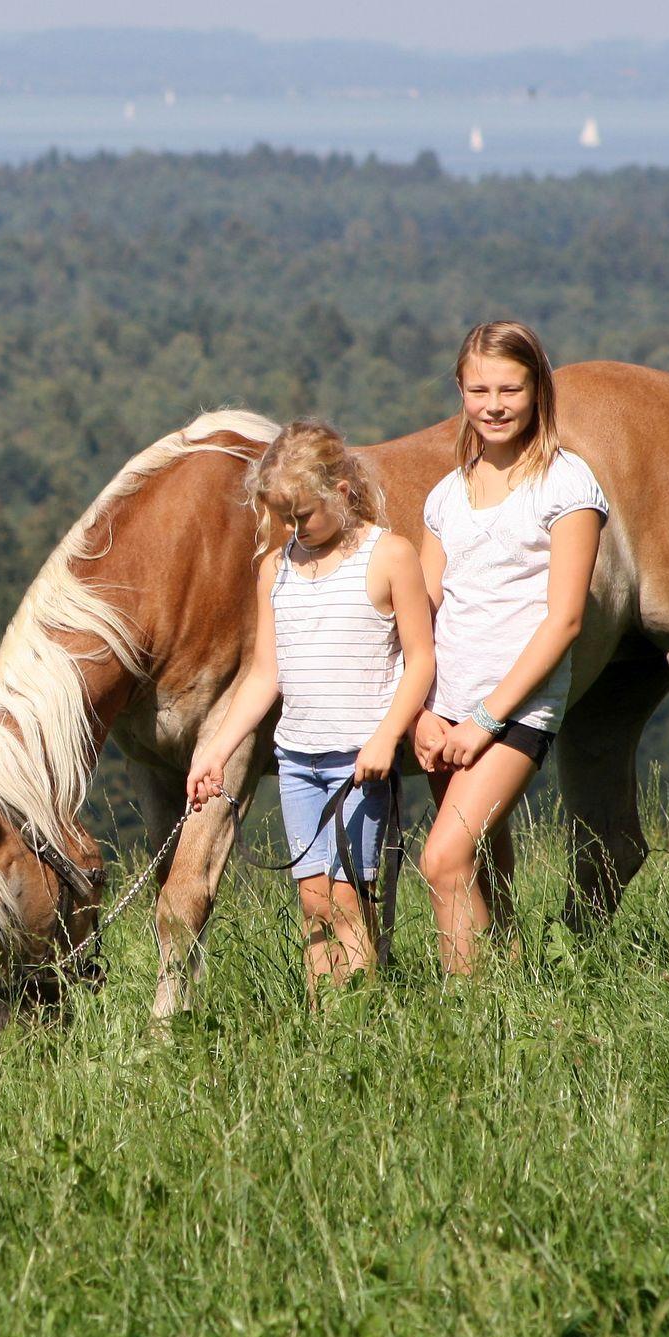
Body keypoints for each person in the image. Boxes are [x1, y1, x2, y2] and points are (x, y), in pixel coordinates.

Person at [188, 421, 435, 995]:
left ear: (341, 492)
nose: (291, 529)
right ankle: (323, 1019)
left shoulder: (389, 555)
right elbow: (264, 675)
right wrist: (216, 752)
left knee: (351, 898)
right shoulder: (275, 570)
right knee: (314, 901)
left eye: (301, 515)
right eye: (281, 517)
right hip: (298, 762)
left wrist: (386, 738)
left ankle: (361, 1019)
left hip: (359, 762)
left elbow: (421, 661)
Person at [412, 320, 607, 973]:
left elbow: (565, 621)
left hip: (515, 709)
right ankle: (508, 993)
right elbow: (424, 611)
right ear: (461, 393)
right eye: (479, 390)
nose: (493, 405)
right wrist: (420, 712)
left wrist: (486, 718)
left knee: (444, 860)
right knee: (484, 868)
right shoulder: (446, 495)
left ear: (538, 391)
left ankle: (464, 1018)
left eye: (510, 390)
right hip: (445, 709)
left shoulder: (567, 485)